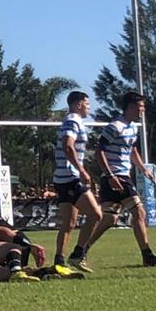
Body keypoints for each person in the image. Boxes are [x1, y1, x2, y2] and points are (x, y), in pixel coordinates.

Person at [76, 92, 156, 267]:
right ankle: (147, 255)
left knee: (109, 219)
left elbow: (131, 149)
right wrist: (110, 175)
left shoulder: (132, 127)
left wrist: (143, 169)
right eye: (141, 106)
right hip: (116, 176)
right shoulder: (115, 126)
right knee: (139, 212)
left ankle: (81, 250)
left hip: (121, 176)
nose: (143, 110)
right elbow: (99, 151)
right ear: (131, 107)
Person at [55, 91, 106, 273]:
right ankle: (78, 254)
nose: (89, 107)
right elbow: (68, 145)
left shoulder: (72, 120)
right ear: (78, 104)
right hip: (70, 177)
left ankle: (59, 262)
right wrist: (82, 169)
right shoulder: (73, 120)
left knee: (68, 223)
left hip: (62, 178)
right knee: (96, 215)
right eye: (87, 103)